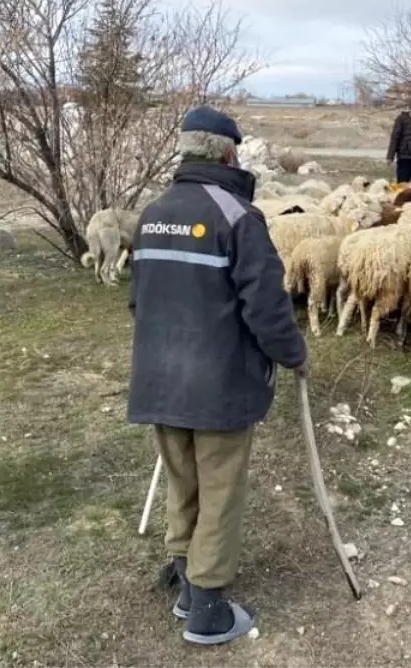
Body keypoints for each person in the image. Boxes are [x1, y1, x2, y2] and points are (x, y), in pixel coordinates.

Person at [126, 105, 307, 646]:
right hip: (218, 384)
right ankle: (208, 606)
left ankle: (184, 578)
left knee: (182, 478)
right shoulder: (238, 217)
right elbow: (267, 306)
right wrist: (293, 353)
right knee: (221, 487)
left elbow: (138, 300)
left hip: (160, 379)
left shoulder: (153, 212)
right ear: (229, 152)